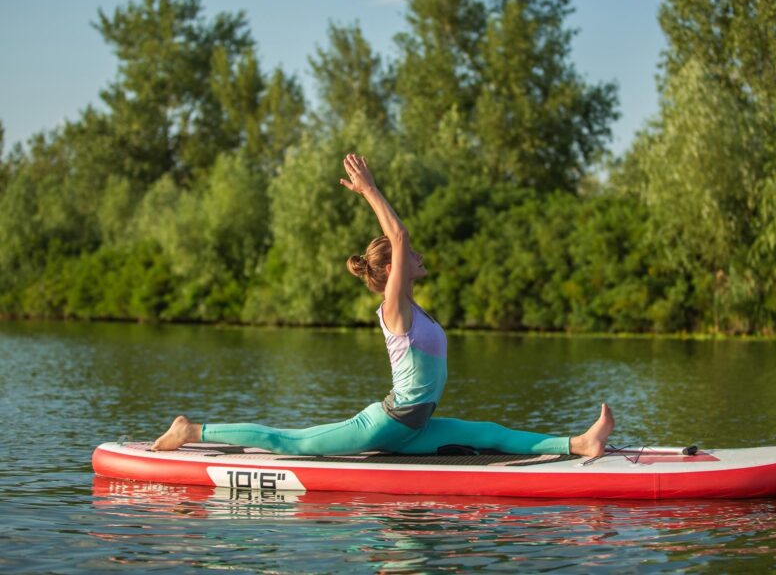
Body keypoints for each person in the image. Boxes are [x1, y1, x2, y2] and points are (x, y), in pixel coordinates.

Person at [152, 154, 614, 457]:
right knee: (288, 442)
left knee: (489, 432)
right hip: (387, 424)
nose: (418, 256)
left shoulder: (417, 309)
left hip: (415, 426)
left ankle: (581, 443)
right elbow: (399, 235)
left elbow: (402, 243)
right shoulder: (395, 311)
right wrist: (370, 189)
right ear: (394, 267)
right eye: (410, 257)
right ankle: (191, 431)